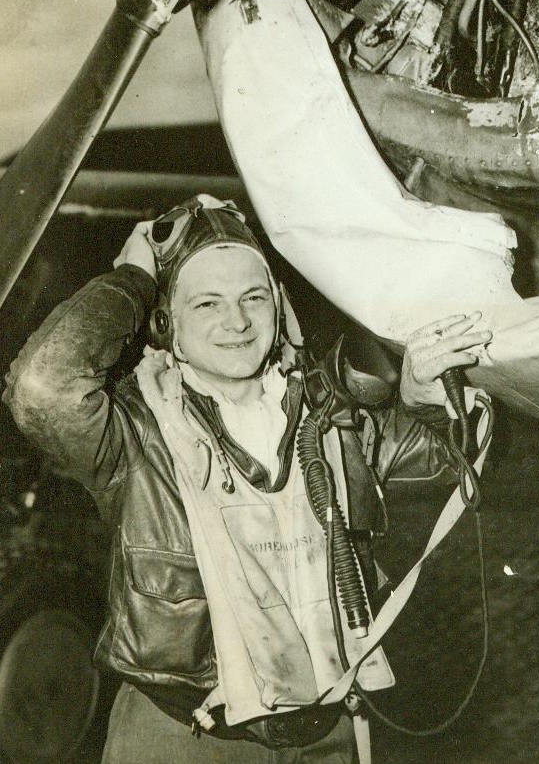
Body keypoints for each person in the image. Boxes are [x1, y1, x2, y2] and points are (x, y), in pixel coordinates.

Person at [2, 195, 491, 764]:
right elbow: (41, 388)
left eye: (253, 298)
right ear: (168, 326)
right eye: (207, 303)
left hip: (325, 729)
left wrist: (424, 398)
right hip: (185, 737)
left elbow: (454, 466)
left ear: (278, 310)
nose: (236, 322)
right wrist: (134, 278)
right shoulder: (134, 434)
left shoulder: (330, 418)